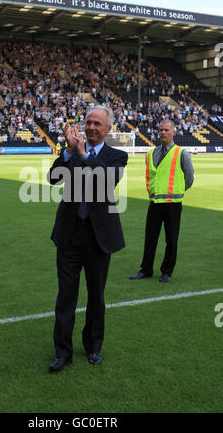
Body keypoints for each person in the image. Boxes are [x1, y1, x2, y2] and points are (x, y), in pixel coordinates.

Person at [47, 105, 128, 371]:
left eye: (97, 124)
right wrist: (69, 151)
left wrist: (82, 154)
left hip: (98, 236)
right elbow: (53, 178)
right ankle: (63, 352)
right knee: (65, 296)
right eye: (88, 122)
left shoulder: (117, 156)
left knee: (96, 296)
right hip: (70, 234)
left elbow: (106, 180)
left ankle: (93, 346)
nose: (91, 127)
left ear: (108, 129)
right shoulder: (71, 152)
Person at [130, 119, 194, 283]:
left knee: (171, 239)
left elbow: (189, 178)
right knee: (150, 238)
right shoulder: (151, 153)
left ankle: (167, 271)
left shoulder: (181, 153)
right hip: (155, 203)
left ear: (173, 131)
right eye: (160, 130)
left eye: (166, 130)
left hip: (173, 204)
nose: (163, 133)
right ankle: (146, 269)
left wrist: (177, 191)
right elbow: (151, 176)